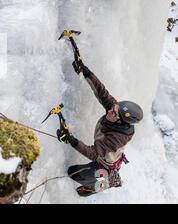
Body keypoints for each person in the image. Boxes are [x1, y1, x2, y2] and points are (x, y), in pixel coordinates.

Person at [57, 63, 143, 197]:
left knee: (73, 173)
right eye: (113, 109)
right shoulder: (116, 111)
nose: (109, 112)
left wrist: (71, 140)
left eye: (114, 114)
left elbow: (94, 153)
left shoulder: (116, 139)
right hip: (108, 155)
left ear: (121, 121)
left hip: (105, 165)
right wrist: (86, 71)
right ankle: (108, 178)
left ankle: (104, 183)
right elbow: (102, 92)